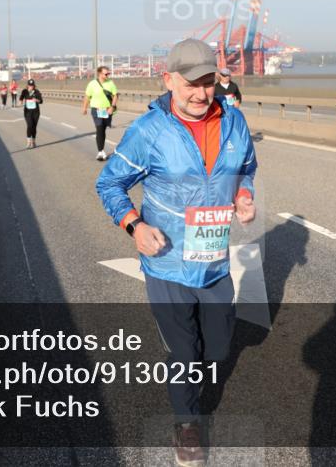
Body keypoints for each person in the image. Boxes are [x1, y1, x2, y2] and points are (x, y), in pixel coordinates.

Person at [96, 39, 257, 467]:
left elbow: (247, 169)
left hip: (215, 261)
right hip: (167, 262)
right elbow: (108, 184)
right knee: (186, 353)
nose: (202, 93)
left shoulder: (234, 121)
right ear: (168, 80)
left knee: (218, 349)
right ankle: (187, 424)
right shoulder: (149, 132)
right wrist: (134, 224)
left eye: (209, 82)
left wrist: (244, 194)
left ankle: (193, 363)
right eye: (192, 84)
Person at [82, 66, 118, 161]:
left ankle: (101, 150)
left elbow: (115, 95)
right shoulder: (92, 84)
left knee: (103, 129)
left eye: (108, 73)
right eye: (106, 74)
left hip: (107, 110)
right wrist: (85, 108)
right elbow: (87, 97)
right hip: (96, 110)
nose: (108, 75)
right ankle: (100, 151)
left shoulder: (110, 83)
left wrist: (112, 107)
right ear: (100, 74)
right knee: (99, 128)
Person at [20, 79, 43, 148]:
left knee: (34, 127)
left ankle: (33, 141)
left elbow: (41, 101)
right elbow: (21, 97)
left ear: (34, 86)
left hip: (36, 112)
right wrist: (21, 101)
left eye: (32, 85)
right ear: (27, 85)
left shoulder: (36, 92)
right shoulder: (25, 91)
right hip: (27, 112)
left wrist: (36, 100)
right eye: (29, 85)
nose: (31, 87)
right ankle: (28, 142)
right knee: (30, 125)